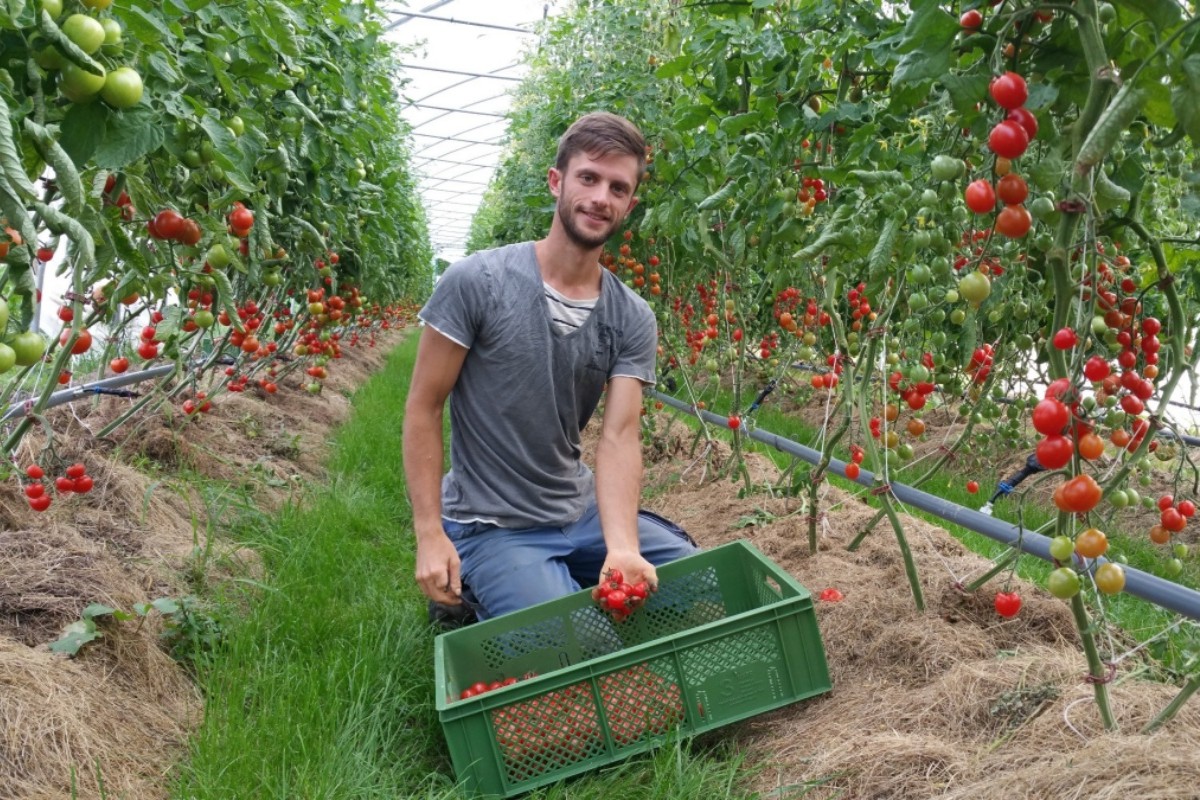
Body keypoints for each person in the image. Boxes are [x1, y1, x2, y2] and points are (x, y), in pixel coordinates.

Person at [403, 111, 698, 625]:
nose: (601, 197)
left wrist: (623, 546)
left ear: (630, 203)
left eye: (618, 187)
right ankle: (475, 584)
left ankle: (558, 577)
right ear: (557, 181)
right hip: (493, 520)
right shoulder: (477, 281)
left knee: (700, 584)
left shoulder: (631, 315)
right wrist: (430, 532)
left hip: (577, 510)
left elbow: (620, 436)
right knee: (582, 649)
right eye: (588, 178)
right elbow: (424, 407)